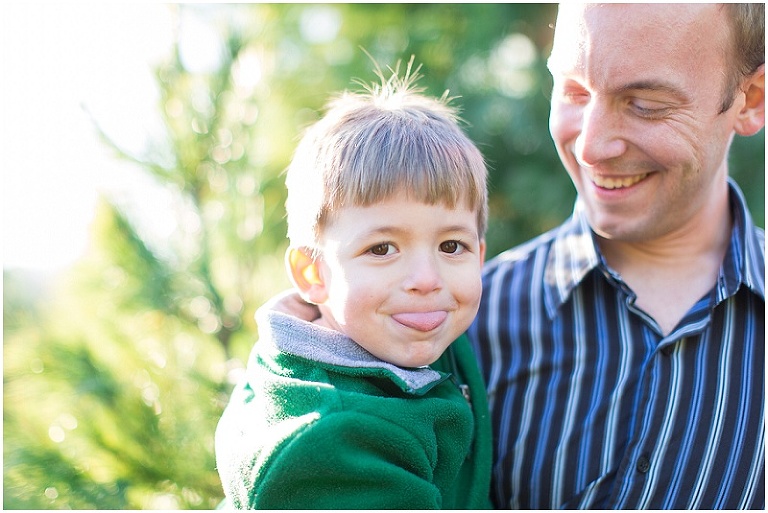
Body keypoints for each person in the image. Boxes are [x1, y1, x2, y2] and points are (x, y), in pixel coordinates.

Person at [466, 3, 765, 509]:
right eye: (573, 92)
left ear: (751, 100)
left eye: (645, 103)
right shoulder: (467, 319)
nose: (591, 145)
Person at [214, 60, 493, 509]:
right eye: (382, 249)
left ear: (480, 257)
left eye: (452, 246)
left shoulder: (416, 329)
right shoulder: (327, 447)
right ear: (313, 274)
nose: (427, 280)